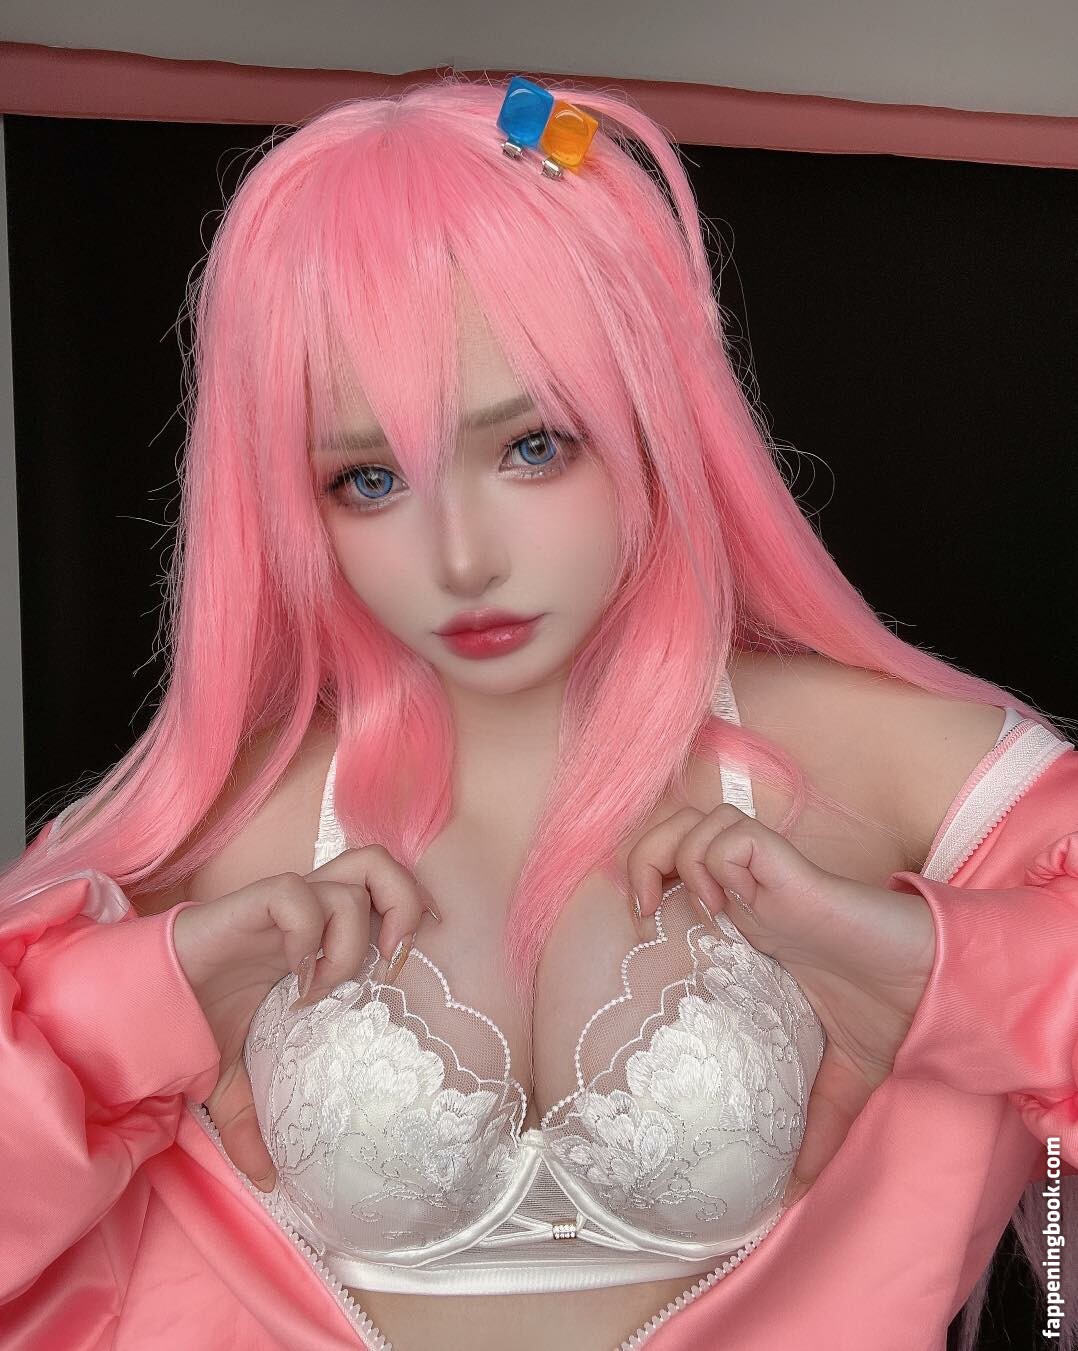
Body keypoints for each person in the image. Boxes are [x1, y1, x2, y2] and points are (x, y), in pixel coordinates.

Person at [0, 73, 1075, 1351]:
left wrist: (933, 972)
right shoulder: (220, 834)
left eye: (530, 448)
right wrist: (140, 1011)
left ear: (652, 411)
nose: (461, 560)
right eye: (368, 479)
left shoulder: (885, 763)